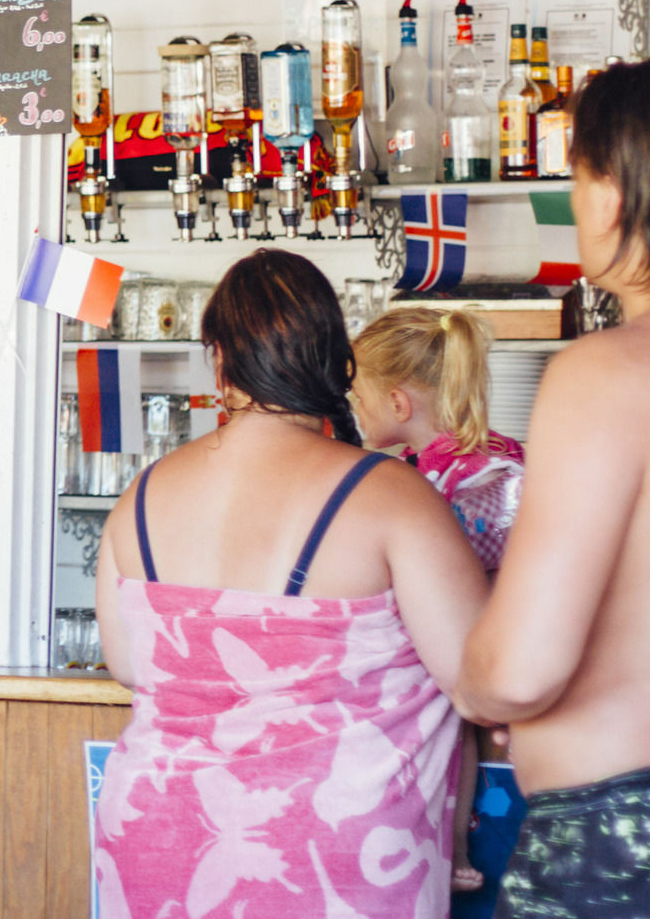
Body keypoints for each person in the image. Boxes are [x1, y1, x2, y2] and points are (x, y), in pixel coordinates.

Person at [92, 249, 488, 917]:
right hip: (334, 851)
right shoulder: (390, 495)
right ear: (340, 361)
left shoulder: (138, 498)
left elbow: (130, 665)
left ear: (219, 362)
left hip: (157, 839)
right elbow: (481, 679)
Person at [458, 51, 650, 916]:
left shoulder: (608, 375)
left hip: (624, 847)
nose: (571, 197)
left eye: (578, 173)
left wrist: (477, 681)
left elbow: (518, 668)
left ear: (621, 189)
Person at [355, 304, 525, 891]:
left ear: (399, 405)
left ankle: (451, 852)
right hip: (514, 650)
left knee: (445, 703)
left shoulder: (431, 484)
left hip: (486, 657)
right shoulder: (501, 458)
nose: (354, 410)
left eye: (358, 398)